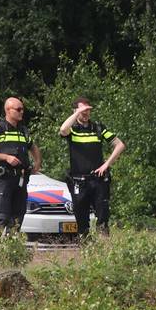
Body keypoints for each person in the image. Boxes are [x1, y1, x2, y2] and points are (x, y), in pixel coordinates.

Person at [58, 96, 125, 238]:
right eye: (82, 111)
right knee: (81, 219)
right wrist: (77, 113)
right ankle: (86, 247)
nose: (86, 113)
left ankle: (104, 249)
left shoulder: (98, 128)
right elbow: (63, 129)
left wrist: (106, 164)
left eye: (88, 110)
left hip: (98, 179)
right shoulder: (73, 129)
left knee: (102, 216)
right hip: (78, 181)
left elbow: (120, 145)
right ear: (75, 111)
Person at [0, 97, 41, 233]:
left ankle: (13, 249)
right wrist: (6, 157)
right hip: (3, 180)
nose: (21, 112)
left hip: (21, 180)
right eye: (18, 109)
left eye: (22, 109)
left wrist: (37, 162)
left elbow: (33, 147)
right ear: (8, 110)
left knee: (18, 218)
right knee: (2, 218)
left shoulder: (23, 130)